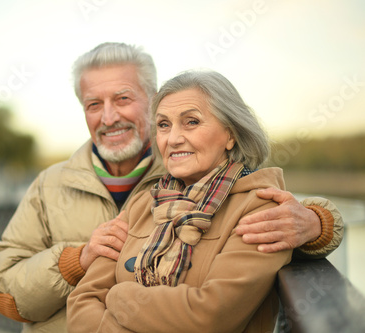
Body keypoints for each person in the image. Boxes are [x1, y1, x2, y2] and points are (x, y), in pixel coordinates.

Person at [0, 43, 343, 333]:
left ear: (152, 97)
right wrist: (76, 260)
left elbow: (270, 204)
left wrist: (318, 222)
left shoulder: (190, 167)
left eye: (123, 98)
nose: (109, 117)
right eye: (94, 104)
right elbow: (4, 296)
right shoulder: (53, 186)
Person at [67, 69, 291, 332]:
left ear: (230, 135)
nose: (173, 139)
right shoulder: (143, 204)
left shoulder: (259, 208)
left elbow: (210, 316)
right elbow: (82, 302)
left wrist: (119, 297)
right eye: (163, 125)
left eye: (191, 122)